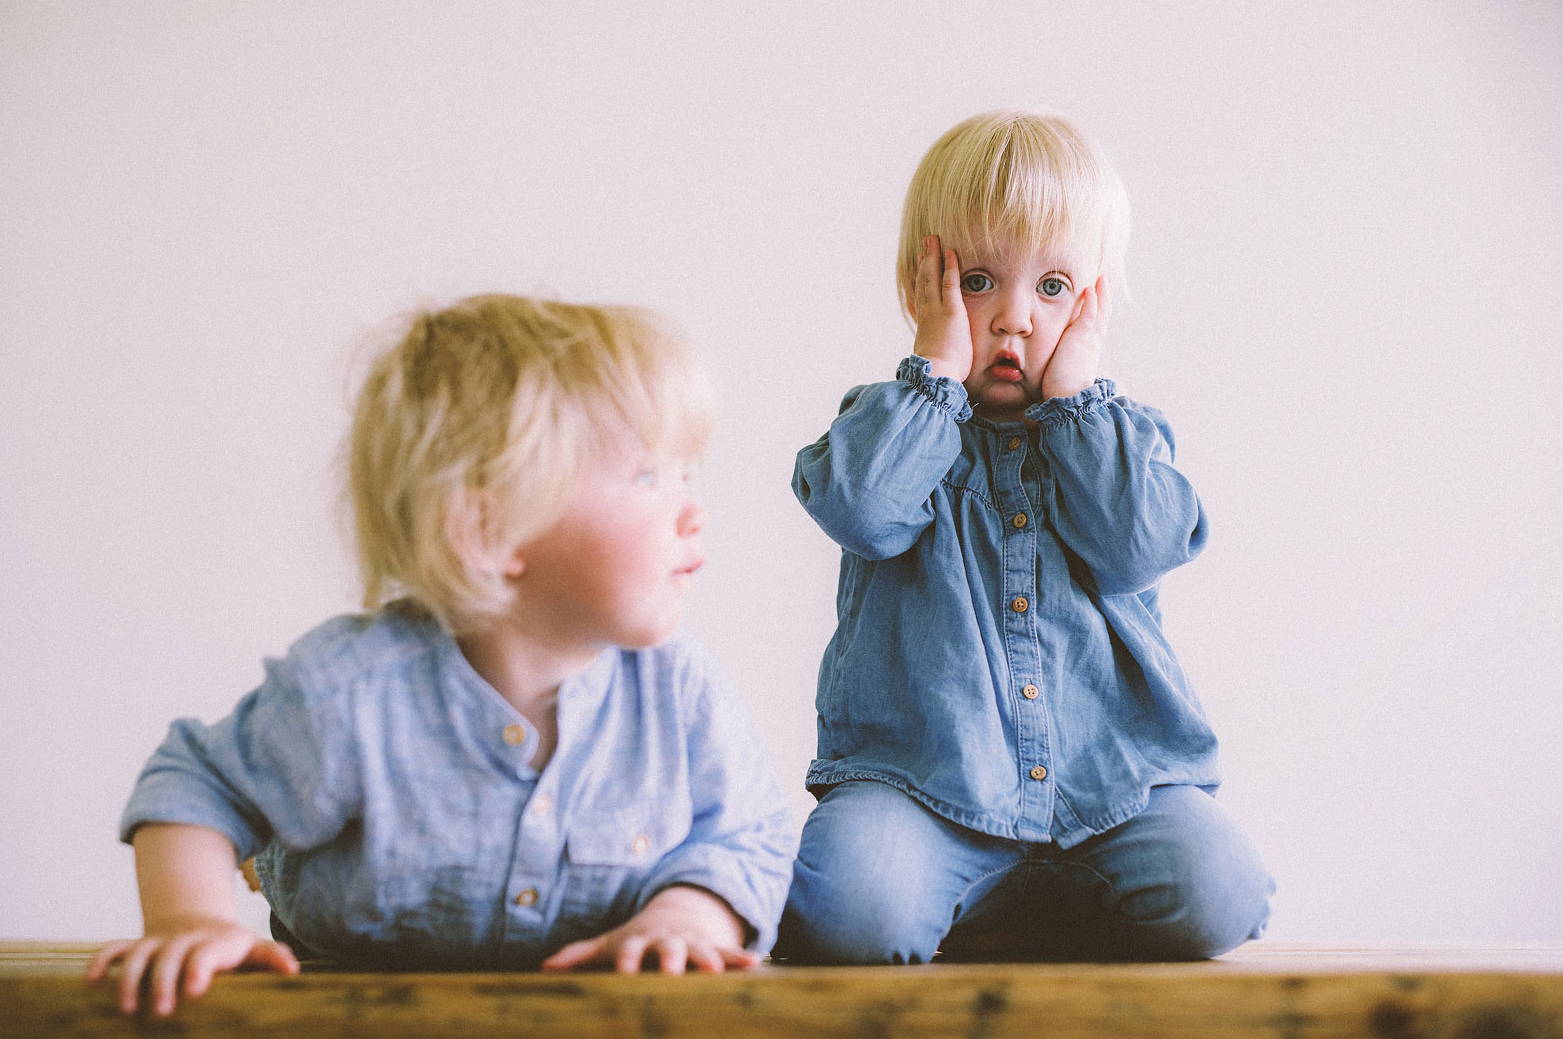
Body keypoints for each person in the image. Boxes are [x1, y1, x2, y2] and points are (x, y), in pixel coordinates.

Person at [87, 294, 796, 1015]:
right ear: (490, 527)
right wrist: (193, 921)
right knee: (261, 804)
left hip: (590, 1010)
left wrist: (686, 916)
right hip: (347, 997)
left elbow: (749, 834)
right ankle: (262, 857)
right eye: (649, 476)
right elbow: (198, 782)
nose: (693, 509)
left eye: (687, 474)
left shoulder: (680, 691)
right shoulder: (352, 689)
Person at [774, 111, 1273, 964]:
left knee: (1220, 892)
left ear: (1093, 301)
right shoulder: (890, 425)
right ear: (917, 288)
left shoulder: (1119, 436)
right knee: (847, 913)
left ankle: (1025, 908)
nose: (1012, 319)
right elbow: (861, 509)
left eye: (1050, 288)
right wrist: (932, 373)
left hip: (1109, 793)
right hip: (923, 790)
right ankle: (964, 895)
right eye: (976, 280)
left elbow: (1140, 547)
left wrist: (1077, 402)